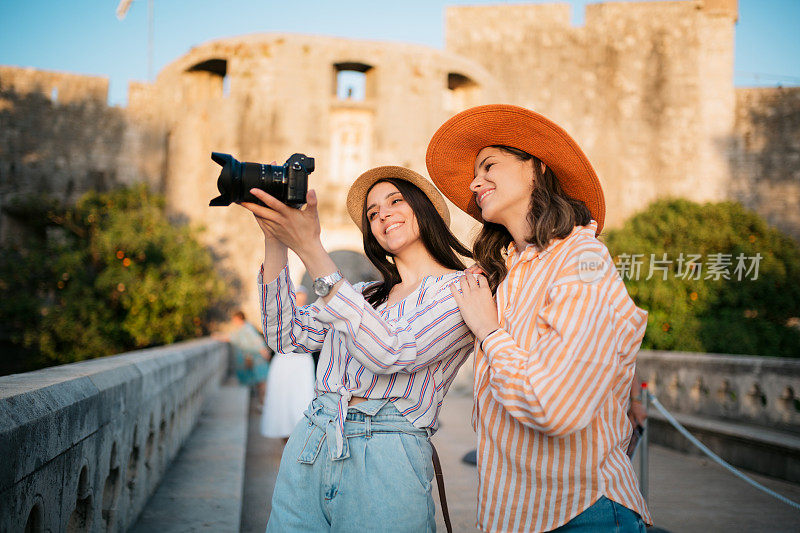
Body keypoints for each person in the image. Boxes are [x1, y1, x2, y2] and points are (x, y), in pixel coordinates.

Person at [426, 104, 651, 532]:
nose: (474, 183)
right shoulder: (506, 275)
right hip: (512, 513)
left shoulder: (582, 259)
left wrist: (489, 331)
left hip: (580, 512)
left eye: (488, 165)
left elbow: (556, 408)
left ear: (537, 168)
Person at [239, 165, 474, 531]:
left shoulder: (462, 289)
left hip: (387, 457)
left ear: (424, 208)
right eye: (372, 213)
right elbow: (285, 336)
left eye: (395, 201)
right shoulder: (363, 295)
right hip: (313, 440)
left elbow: (390, 352)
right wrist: (276, 240)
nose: (383, 215)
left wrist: (311, 247)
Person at [259, 286, 316, 442]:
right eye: (298, 296)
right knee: (283, 399)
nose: (300, 299)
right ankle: (285, 439)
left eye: (302, 296)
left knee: (302, 397)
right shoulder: (282, 315)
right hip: (284, 363)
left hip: (303, 362)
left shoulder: (312, 314)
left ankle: (300, 436)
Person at [222, 311, 270, 407]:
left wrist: (263, 351)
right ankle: (262, 404)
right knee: (260, 382)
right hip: (256, 357)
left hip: (258, 358)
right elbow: (234, 338)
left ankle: (263, 404)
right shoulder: (244, 328)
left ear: (238, 319)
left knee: (262, 382)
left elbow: (256, 341)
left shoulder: (247, 328)